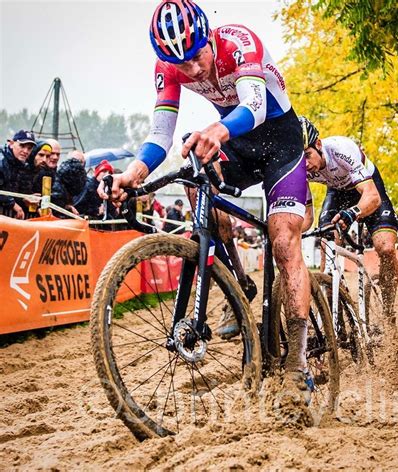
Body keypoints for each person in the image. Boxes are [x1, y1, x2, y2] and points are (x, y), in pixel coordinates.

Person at [99, 0, 312, 397]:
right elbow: (161, 135)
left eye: (198, 57)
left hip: (281, 145)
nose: (193, 70)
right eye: (182, 65)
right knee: (193, 165)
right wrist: (132, 174)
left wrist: (217, 129)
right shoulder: (169, 67)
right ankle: (237, 279)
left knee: (283, 241)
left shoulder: (239, 42)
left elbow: (255, 104)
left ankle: (298, 363)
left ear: (208, 39)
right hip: (237, 144)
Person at [299, 116, 398, 323]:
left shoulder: (341, 149)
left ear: (318, 145)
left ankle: (389, 309)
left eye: (308, 155)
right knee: (327, 244)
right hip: (337, 194)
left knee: (386, 248)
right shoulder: (301, 169)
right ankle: (333, 306)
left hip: (367, 189)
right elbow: (307, 217)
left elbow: (372, 197)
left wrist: (353, 212)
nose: (306, 164)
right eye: (301, 159)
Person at [0, 129, 36, 219]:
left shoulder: (21, 164)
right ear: (11, 144)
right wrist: (13, 204)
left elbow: (12, 190)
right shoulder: (1, 161)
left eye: (29, 148)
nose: (25, 151)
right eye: (22, 146)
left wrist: (24, 198)